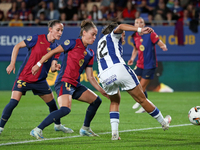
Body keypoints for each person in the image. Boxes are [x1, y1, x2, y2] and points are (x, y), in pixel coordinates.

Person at [30, 20, 109, 139]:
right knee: (65, 109)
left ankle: (85, 129)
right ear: (84, 33)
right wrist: (39, 64)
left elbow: (90, 77)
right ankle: (37, 129)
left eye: (95, 35)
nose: (94, 37)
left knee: (96, 101)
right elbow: (53, 52)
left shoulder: (90, 53)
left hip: (75, 84)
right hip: (64, 81)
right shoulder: (73, 43)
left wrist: (101, 90)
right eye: (92, 34)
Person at [96, 22, 171, 140]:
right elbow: (120, 26)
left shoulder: (101, 42)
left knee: (114, 102)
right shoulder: (113, 35)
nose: (124, 37)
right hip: (118, 69)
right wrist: (139, 29)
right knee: (142, 99)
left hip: (104, 76)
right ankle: (164, 122)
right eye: (123, 35)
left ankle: (114, 133)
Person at [0, 20, 73, 135]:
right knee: (13, 102)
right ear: (50, 30)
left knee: (52, 104)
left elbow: (53, 67)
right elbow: (17, 46)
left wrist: (56, 67)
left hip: (40, 81)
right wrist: (12, 63)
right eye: (58, 30)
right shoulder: (37, 38)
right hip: (24, 78)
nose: (60, 33)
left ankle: (58, 125)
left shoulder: (57, 48)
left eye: (62, 30)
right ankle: (0, 127)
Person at [127, 17, 168, 113]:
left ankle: (140, 102)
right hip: (140, 64)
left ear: (144, 25)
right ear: (134, 25)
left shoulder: (150, 34)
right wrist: (132, 59)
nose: (139, 24)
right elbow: (136, 49)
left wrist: (163, 46)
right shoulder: (135, 36)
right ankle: (142, 102)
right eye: (136, 22)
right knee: (133, 82)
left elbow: (159, 41)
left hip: (150, 65)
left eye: (141, 22)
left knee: (141, 87)